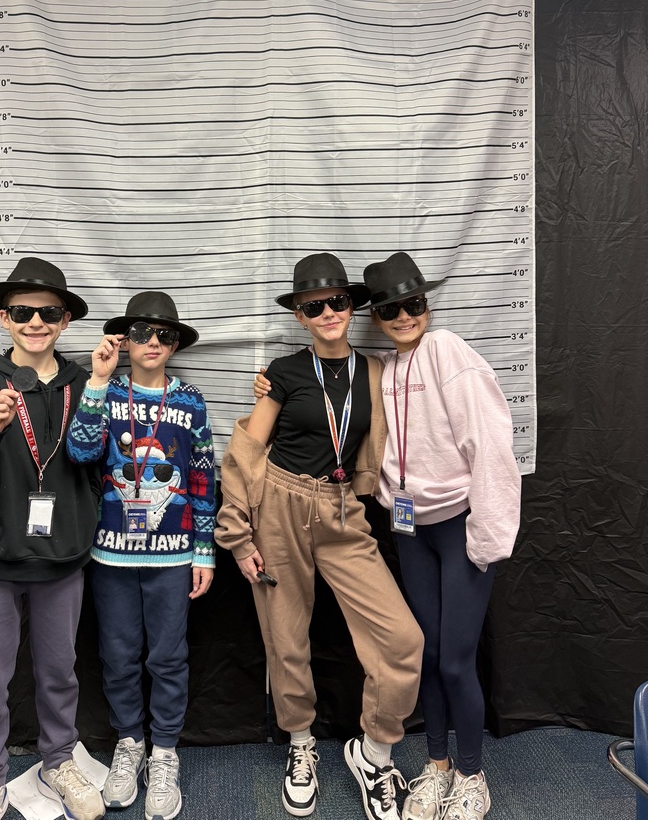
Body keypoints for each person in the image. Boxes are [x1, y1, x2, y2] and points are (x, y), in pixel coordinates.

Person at [215, 253, 424, 820]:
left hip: (341, 512)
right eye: (314, 306)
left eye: (337, 301)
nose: (328, 312)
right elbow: (245, 452)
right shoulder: (283, 372)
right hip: (278, 506)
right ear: (301, 317)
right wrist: (237, 534)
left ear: (353, 307)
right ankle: (301, 745)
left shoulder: (378, 369)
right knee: (286, 640)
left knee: (402, 639)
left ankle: (375, 752)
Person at [0, 257, 104, 820]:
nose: (35, 322)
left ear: (64, 322)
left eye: (48, 313)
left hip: (62, 559)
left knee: (60, 673)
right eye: (22, 312)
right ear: (4, 318)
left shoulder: (87, 386)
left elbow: (101, 464)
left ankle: (59, 761)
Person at [362, 252, 521, 820]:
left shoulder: (449, 351)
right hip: (410, 528)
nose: (404, 317)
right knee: (425, 655)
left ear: (427, 305)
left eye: (414, 304)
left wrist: (488, 536)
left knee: (455, 659)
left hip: (459, 527)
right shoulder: (385, 367)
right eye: (390, 309)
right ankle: (437, 767)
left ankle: (473, 775)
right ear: (375, 315)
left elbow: (491, 443)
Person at [66, 291, 215, 820]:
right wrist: (97, 380)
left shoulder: (191, 401)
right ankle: (130, 742)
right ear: (124, 340)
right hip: (111, 556)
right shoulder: (105, 392)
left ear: (175, 344)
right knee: (119, 654)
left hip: (173, 556)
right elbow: (81, 451)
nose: (152, 342)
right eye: (141, 333)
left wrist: (204, 550)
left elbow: (200, 477)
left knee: (168, 656)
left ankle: (165, 751)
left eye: (164, 335)